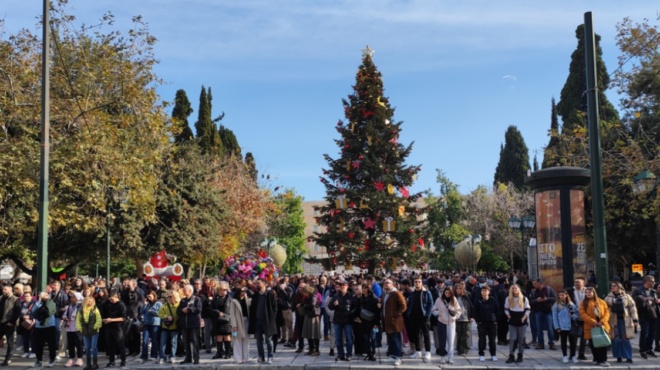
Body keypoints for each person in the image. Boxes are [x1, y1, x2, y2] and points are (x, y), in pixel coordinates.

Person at [606, 281, 638, 363]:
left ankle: (628, 356)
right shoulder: (608, 297)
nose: (612, 287)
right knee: (616, 339)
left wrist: (635, 319)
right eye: (612, 286)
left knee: (625, 338)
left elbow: (632, 308)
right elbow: (605, 309)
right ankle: (618, 356)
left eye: (614, 286)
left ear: (619, 287)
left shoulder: (627, 297)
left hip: (625, 320)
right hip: (613, 320)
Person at [248, 278, 277, 364]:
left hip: (267, 321)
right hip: (257, 321)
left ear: (264, 283)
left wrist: (272, 317)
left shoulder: (270, 295)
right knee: (258, 340)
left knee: (268, 340)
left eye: (259, 283)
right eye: (257, 283)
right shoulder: (256, 295)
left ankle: (270, 356)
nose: (257, 285)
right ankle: (261, 356)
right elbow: (252, 308)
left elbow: (275, 307)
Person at [579, 286, 611, 366]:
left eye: (589, 292)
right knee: (594, 344)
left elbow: (607, 312)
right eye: (586, 293)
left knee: (603, 344)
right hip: (591, 326)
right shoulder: (583, 303)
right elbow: (583, 314)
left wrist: (602, 321)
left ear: (594, 292)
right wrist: (593, 322)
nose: (588, 294)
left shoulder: (601, 302)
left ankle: (603, 360)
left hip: (602, 326)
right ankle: (596, 359)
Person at [405, 276, 433, 362]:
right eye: (416, 282)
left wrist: (428, 315)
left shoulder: (426, 293)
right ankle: (418, 351)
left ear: (422, 283)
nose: (417, 283)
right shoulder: (412, 293)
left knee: (426, 334)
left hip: (424, 316)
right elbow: (409, 304)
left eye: (419, 282)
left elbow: (430, 304)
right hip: (414, 316)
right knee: (416, 334)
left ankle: (428, 352)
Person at [381, 278, 407, 366]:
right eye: (384, 283)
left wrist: (395, 314)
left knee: (396, 339)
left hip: (395, 321)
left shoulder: (396, 293)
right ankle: (392, 356)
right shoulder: (385, 294)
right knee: (390, 339)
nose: (385, 284)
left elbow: (403, 306)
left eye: (388, 283)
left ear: (392, 285)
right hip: (387, 320)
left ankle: (398, 357)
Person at [328, 279, 355, 361]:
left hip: (348, 321)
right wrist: (334, 304)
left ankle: (349, 354)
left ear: (347, 286)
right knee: (338, 339)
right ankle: (340, 354)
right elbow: (330, 306)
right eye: (341, 285)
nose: (342, 287)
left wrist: (352, 314)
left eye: (344, 285)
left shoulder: (351, 296)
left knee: (349, 339)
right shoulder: (336, 295)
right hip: (338, 320)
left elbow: (355, 307)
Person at [632, 274, 659, 359]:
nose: (654, 283)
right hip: (643, 314)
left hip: (654, 314)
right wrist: (643, 300)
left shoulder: (653, 291)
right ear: (647, 281)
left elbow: (655, 300)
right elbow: (633, 302)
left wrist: (656, 301)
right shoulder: (638, 290)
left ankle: (649, 349)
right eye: (652, 281)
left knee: (652, 333)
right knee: (645, 333)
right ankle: (643, 350)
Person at [433, 286, 462, 364]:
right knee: (442, 341)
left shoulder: (454, 300)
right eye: (446, 292)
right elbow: (433, 309)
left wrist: (455, 317)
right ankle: (442, 357)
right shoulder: (439, 300)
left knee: (451, 341)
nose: (447, 294)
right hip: (441, 322)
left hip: (451, 323)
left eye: (449, 293)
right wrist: (437, 313)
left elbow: (459, 310)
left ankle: (450, 357)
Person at [100, 290, 127, 369]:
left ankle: (123, 360)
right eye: (110, 299)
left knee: (120, 344)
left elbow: (123, 318)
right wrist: (104, 320)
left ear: (116, 297)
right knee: (110, 344)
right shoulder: (108, 304)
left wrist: (111, 320)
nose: (111, 301)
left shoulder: (121, 305)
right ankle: (111, 361)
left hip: (117, 327)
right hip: (108, 326)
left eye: (112, 299)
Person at [504, 283, 530, 364]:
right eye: (513, 288)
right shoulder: (508, 298)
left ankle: (520, 355)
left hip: (522, 320)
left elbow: (528, 309)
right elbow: (506, 309)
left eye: (516, 288)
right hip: (512, 320)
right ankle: (511, 355)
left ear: (518, 289)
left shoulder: (524, 299)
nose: (514, 290)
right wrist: (509, 316)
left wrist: (524, 318)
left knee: (521, 339)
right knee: (512, 339)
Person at [31, 291, 57, 368]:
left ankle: (52, 359)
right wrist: (38, 301)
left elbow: (49, 312)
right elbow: (33, 311)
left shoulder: (51, 303)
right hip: (38, 327)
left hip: (49, 326)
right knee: (38, 345)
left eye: (45, 295)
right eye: (41, 295)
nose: (43, 296)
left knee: (51, 344)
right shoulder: (38, 303)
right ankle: (39, 360)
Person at [472, 284, 498, 362]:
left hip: (492, 323)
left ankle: (493, 354)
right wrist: (478, 321)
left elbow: (497, 310)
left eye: (485, 291)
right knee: (482, 339)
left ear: (489, 292)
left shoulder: (493, 300)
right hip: (482, 323)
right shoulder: (478, 301)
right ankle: (481, 354)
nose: (484, 292)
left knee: (492, 340)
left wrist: (495, 320)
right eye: (482, 291)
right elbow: (475, 312)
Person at [552, 290, 579, 364]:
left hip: (571, 325)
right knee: (563, 341)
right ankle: (565, 355)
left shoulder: (571, 304)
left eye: (563, 295)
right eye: (560, 295)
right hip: (562, 326)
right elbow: (554, 317)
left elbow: (577, 314)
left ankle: (573, 355)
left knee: (572, 342)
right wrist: (557, 327)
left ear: (566, 295)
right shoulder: (556, 305)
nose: (561, 296)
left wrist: (573, 315)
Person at [529, 278, 557, 350]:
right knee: (539, 328)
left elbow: (555, 298)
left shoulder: (549, 289)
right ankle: (540, 343)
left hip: (547, 311)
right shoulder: (533, 291)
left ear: (540, 283)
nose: (534, 285)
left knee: (550, 328)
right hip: (538, 311)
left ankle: (551, 343)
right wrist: (536, 300)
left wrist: (547, 299)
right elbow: (530, 302)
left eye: (535, 284)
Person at [177, 284, 202, 365]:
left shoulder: (197, 299)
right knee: (186, 342)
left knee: (195, 342)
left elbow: (198, 309)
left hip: (194, 324)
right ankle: (188, 358)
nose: (183, 291)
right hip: (185, 324)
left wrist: (189, 309)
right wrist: (182, 310)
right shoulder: (183, 300)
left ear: (190, 291)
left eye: (185, 290)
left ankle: (196, 358)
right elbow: (178, 311)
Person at [76, 296, 102, 370]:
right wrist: (80, 328)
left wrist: (95, 327)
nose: (90, 302)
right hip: (85, 331)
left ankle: (95, 363)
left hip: (94, 331)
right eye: (89, 301)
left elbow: (99, 319)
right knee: (87, 347)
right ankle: (88, 364)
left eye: (92, 301)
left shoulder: (95, 309)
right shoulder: (81, 310)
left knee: (94, 347)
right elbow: (78, 320)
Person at [208, 281, 232, 359]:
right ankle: (219, 352)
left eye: (225, 289)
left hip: (226, 320)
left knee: (227, 336)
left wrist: (228, 316)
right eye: (222, 289)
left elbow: (231, 310)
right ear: (219, 290)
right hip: (217, 320)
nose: (224, 291)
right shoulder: (215, 299)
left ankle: (228, 352)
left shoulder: (229, 299)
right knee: (219, 336)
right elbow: (211, 309)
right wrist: (218, 312)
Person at [356, 283, 379, 361]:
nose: (364, 290)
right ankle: (369, 353)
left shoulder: (373, 299)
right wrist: (357, 318)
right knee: (365, 338)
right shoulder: (360, 299)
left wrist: (376, 323)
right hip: (363, 322)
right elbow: (357, 310)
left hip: (372, 322)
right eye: (363, 288)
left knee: (372, 338)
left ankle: (373, 352)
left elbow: (377, 312)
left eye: (366, 288)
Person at [567, 277, 588, 360]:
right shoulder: (570, 291)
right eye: (575, 282)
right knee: (573, 336)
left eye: (578, 282)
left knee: (584, 336)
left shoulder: (588, 291)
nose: (576, 284)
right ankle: (572, 354)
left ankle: (581, 354)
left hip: (585, 316)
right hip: (574, 316)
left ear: (583, 283)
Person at [0, 284, 21, 365]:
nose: (3, 291)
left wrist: (12, 322)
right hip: (1, 322)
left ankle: (8, 358)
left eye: (5, 289)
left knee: (10, 342)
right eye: (3, 289)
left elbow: (17, 312)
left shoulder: (16, 299)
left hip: (9, 324)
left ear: (10, 290)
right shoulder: (1, 298)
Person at [229, 287, 250, 364]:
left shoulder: (246, 300)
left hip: (246, 321)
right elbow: (232, 314)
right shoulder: (234, 301)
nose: (244, 292)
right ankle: (238, 358)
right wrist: (234, 325)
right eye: (242, 291)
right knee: (237, 339)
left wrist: (246, 298)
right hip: (237, 322)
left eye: (245, 291)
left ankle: (245, 357)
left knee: (246, 340)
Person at [157, 291, 180, 364]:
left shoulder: (179, 305)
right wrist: (166, 316)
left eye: (170, 297)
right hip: (165, 327)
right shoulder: (165, 305)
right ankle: (162, 357)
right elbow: (159, 313)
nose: (169, 298)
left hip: (175, 327)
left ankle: (172, 356)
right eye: (168, 297)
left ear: (175, 297)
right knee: (163, 342)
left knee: (173, 342)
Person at [139, 291, 162, 363]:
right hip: (146, 323)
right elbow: (141, 312)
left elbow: (161, 314)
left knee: (154, 340)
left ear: (154, 296)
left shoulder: (158, 304)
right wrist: (144, 305)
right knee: (145, 340)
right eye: (148, 297)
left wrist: (152, 312)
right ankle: (144, 356)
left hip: (155, 323)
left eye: (150, 296)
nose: (149, 298)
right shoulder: (147, 304)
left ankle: (154, 355)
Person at [63, 292, 84, 367]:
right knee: (70, 344)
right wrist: (65, 317)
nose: (72, 298)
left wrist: (75, 317)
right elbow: (65, 314)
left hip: (77, 327)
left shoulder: (81, 306)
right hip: (69, 327)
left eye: (73, 297)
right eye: (71, 297)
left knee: (79, 343)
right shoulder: (69, 306)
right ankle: (71, 358)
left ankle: (80, 358)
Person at [301, 285, 321, 356]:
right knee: (309, 334)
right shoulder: (308, 297)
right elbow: (303, 303)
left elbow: (312, 305)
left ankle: (317, 350)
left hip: (313, 316)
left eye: (304, 292)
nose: (303, 294)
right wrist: (303, 304)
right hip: (308, 315)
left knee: (314, 334)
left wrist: (305, 305)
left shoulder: (313, 296)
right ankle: (311, 349)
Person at [453, 282, 472, 356]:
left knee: (465, 334)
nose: (458, 290)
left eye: (460, 288)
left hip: (466, 318)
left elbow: (470, 306)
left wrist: (471, 316)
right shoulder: (453, 297)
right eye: (456, 289)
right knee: (459, 334)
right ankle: (459, 349)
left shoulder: (466, 297)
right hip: (457, 319)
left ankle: (464, 349)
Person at [18, 291, 35, 359]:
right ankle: (26, 351)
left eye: (28, 296)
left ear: (31, 297)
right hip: (24, 323)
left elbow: (37, 313)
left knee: (32, 338)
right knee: (25, 338)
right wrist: (22, 316)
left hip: (32, 323)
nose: (26, 297)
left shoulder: (34, 304)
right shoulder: (21, 303)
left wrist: (30, 317)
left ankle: (34, 352)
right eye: (25, 296)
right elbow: (18, 312)